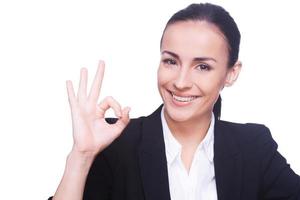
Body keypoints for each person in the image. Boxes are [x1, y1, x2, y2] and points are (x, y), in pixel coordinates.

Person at [49, 3, 300, 200]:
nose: (180, 82)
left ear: (231, 73)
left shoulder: (253, 147)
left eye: (202, 66)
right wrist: (81, 156)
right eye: (171, 61)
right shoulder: (117, 143)